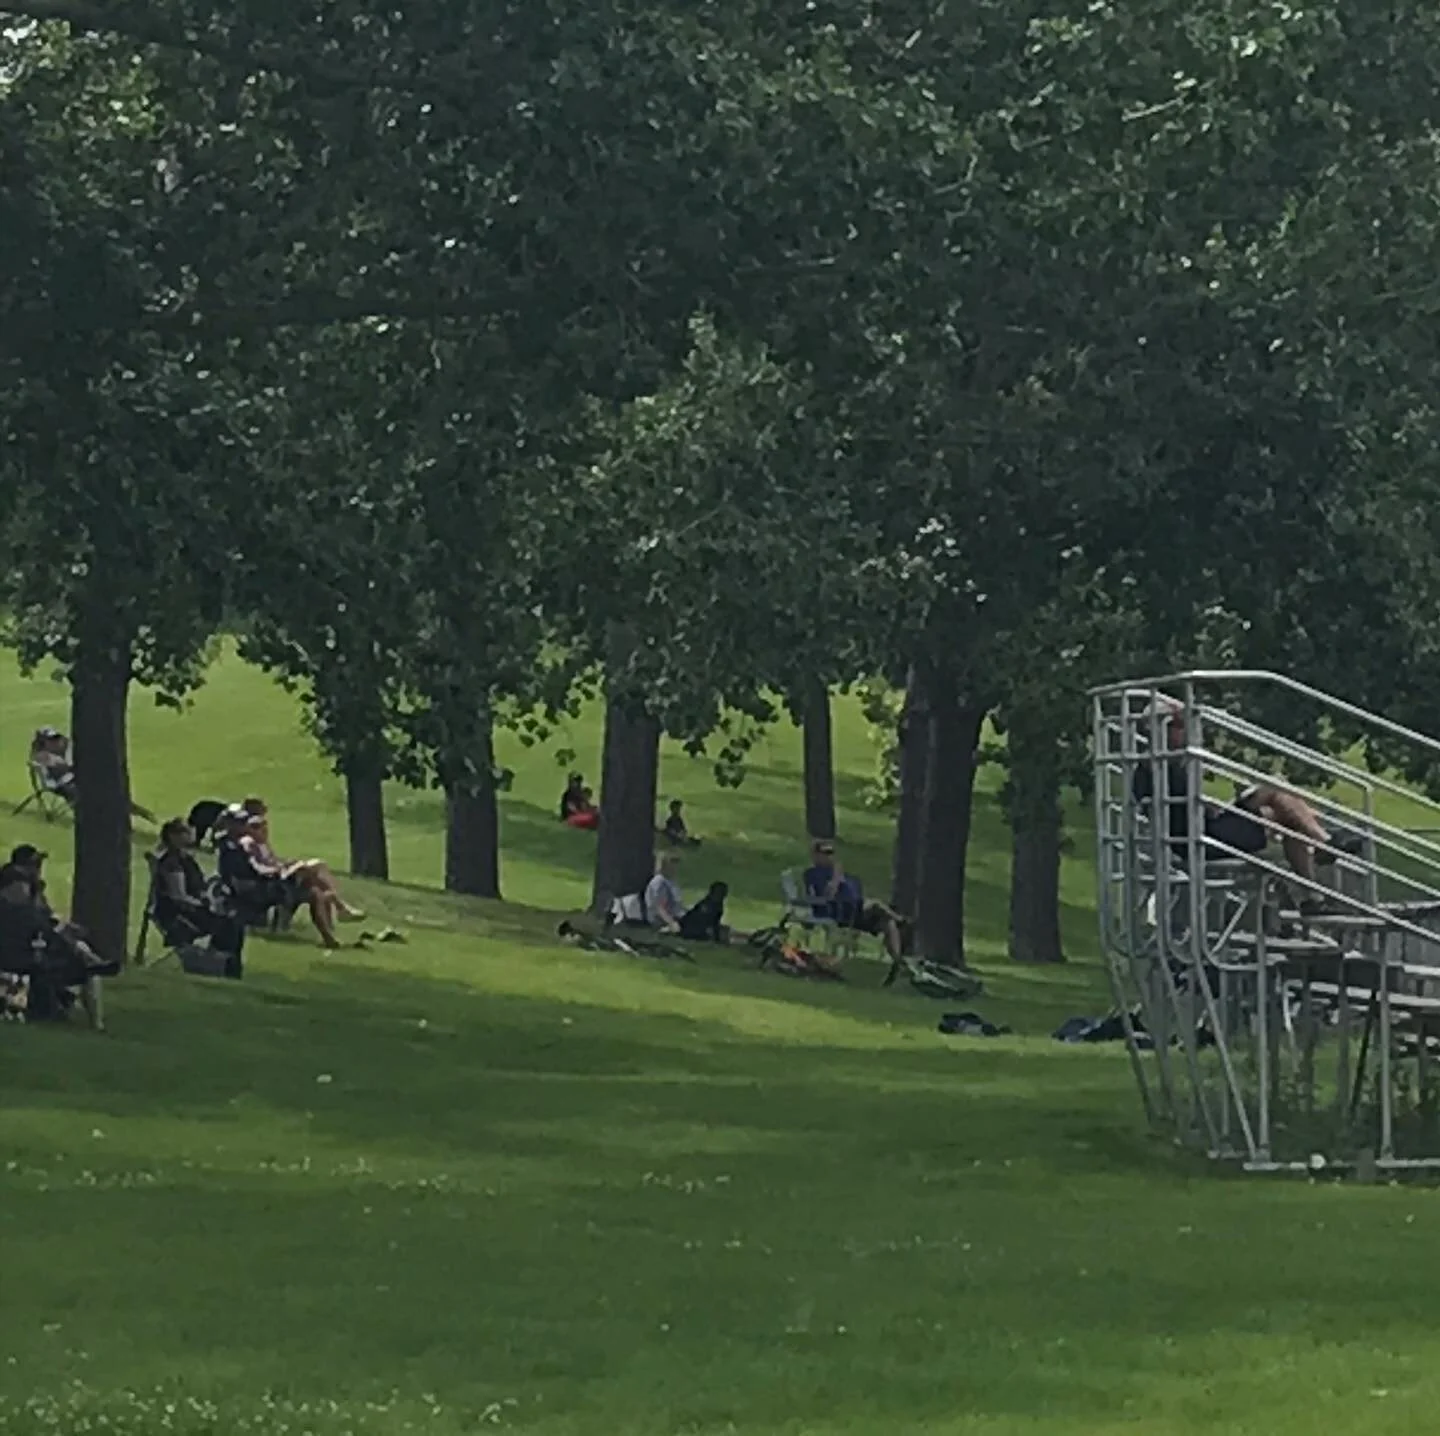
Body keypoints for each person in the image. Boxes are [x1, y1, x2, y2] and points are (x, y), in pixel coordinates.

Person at [1133, 705, 1361, 902]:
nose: (1184, 733)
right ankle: (1324, 844)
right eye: (1178, 726)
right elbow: (1184, 811)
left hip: (1205, 830)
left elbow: (1186, 807)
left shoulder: (1159, 766)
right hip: (1205, 839)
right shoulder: (1162, 766)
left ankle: (1315, 890)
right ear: (1159, 730)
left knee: (1282, 804)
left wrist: (1213, 804)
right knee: (1279, 799)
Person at [241, 798, 364, 920]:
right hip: (272, 878)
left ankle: (338, 910)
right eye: (261, 808)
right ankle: (341, 908)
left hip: (278, 871)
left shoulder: (260, 835)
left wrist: (284, 863)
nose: (265, 811)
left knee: (317, 875)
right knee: (313, 868)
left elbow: (270, 858)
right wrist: (278, 868)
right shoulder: (249, 838)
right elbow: (258, 863)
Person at [802, 839, 906, 981]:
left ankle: (897, 962)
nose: (829, 856)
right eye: (825, 853)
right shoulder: (813, 874)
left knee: (888, 923)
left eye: (831, 853)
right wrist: (836, 878)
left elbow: (855, 893)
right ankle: (901, 920)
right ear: (815, 855)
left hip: (855, 912)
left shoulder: (843, 874)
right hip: (838, 913)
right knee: (876, 904)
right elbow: (827, 896)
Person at [153, 818, 245, 978]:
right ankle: (221, 965)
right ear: (173, 836)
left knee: (234, 921)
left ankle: (224, 963)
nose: (191, 833)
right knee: (227, 924)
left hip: (194, 906)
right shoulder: (172, 863)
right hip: (178, 911)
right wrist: (203, 904)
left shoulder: (186, 859)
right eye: (184, 831)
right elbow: (178, 895)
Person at [28, 728, 157, 823]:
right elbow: (63, 768)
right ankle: (127, 811)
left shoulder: (59, 749)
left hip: (74, 780)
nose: (57, 741)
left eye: (56, 739)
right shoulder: (42, 756)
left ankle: (132, 810)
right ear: (44, 742)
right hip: (63, 784)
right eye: (52, 740)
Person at [643, 852, 685, 931]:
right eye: (672, 863)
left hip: (676, 916)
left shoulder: (671, 881)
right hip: (661, 920)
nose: (675, 867)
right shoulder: (659, 882)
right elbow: (660, 907)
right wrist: (672, 923)